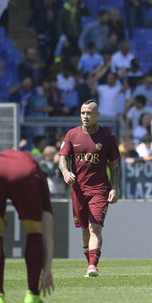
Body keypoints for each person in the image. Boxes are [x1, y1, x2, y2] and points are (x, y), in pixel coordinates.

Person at [0, 149, 55, 303]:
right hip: (23, 172)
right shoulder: (37, 173)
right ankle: (33, 296)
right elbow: (47, 232)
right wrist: (47, 269)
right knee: (34, 231)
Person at [59, 100, 121, 277]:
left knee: (95, 227)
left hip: (100, 189)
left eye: (89, 113)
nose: (85, 116)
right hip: (78, 190)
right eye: (82, 113)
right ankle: (90, 263)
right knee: (85, 229)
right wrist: (65, 172)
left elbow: (115, 164)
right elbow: (62, 158)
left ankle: (93, 265)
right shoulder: (71, 135)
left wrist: (115, 187)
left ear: (97, 115)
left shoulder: (108, 137)